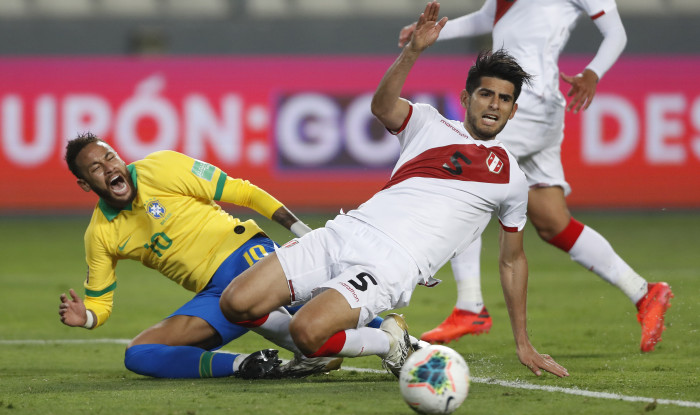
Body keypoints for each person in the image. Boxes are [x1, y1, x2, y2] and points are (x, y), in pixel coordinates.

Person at [219, 2, 569, 379]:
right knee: (236, 303)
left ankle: (389, 342)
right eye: (486, 94)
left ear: (513, 111)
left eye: (504, 99)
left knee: (306, 331)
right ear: (467, 98)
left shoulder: (511, 178)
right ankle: (330, 349)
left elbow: (512, 260)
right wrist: (413, 50)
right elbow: (382, 106)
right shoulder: (427, 122)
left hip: (389, 264)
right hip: (345, 231)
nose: (494, 105)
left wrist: (523, 341)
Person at [398, 0, 673, 352]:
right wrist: (435, 33)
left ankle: (470, 306)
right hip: (532, 107)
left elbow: (615, 33)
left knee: (467, 184)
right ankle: (644, 292)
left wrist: (592, 73)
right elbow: (488, 17)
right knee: (552, 221)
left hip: (529, 106)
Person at [58, 133, 340, 379]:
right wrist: (87, 317)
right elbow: (100, 302)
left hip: (247, 256)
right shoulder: (100, 234)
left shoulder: (162, 168)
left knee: (310, 305)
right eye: (96, 168)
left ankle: (381, 334)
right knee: (139, 354)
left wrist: (302, 231)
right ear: (85, 184)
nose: (109, 169)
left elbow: (244, 193)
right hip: (215, 297)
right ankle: (248, 365)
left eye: (110, 157)